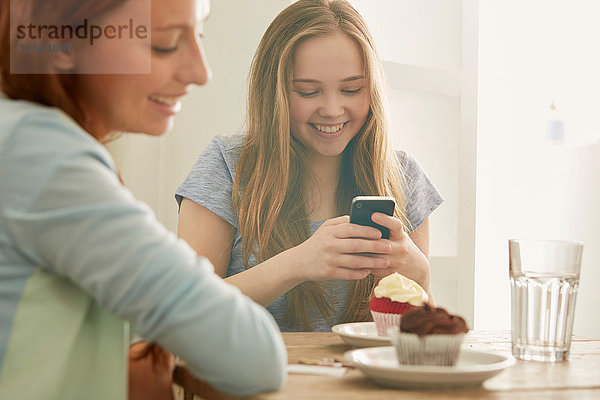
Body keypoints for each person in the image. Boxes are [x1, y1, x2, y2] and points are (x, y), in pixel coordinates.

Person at [0, 0, 287, 399]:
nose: (200, 72)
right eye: (164, 44)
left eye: (198, 35)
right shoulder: (42, 155)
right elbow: (256, 357)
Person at [176, 0, 443, 332]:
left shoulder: (404, 177)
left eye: (351, 89)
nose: (332, 109)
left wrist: (420, 276)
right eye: (307, 91)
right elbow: (185, 313)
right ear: (274, 92)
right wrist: (297, 263)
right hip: (257, 382)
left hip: (365, 383)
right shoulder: (227, 166)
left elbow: (420, 343)